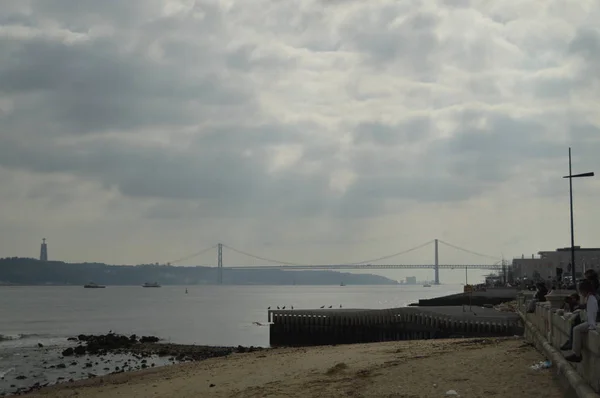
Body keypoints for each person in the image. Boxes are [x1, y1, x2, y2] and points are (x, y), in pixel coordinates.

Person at [565, 280, 598, 362]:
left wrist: (591, 326)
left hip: (592, 322)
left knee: (576, 329)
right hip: (590, 321)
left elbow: (591, 313)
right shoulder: (590, 297)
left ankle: (577, 354)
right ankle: (575, 352)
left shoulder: (591, 299)